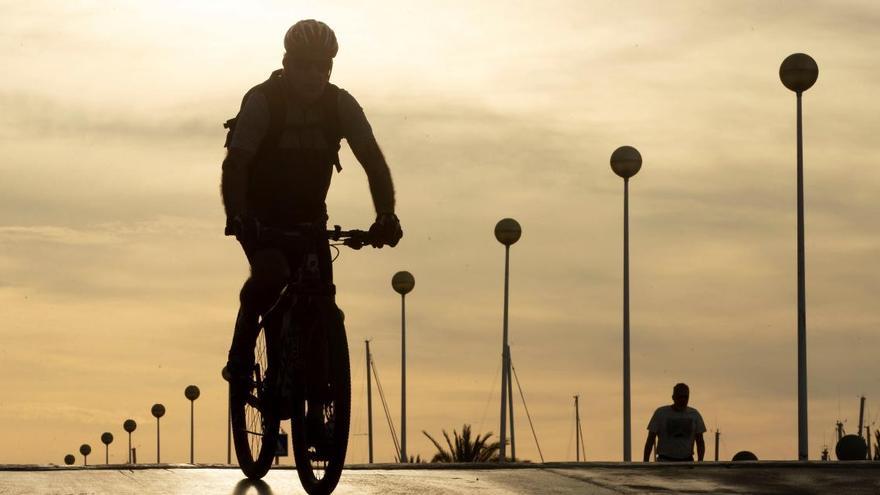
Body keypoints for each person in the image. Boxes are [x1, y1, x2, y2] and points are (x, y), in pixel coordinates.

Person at [220, 19, 402, 378]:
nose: (313, 74)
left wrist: (386, 216)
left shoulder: (341, 104)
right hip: (260, 214)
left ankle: (317, 397)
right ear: (286, 64)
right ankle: (240, 353)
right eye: (304, 65)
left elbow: (374, 164)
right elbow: (236, 164)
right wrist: (239, 215)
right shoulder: (263, 101)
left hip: (309, 218)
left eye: (323, 66)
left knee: (323, 299)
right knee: (271, 274)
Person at [643, 383, 706, 462]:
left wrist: (700, 463)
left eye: (685, 397)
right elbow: (650, 440)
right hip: (664, 462)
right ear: (673, 397)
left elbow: (700, 442)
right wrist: (645, 463)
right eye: (680, 397)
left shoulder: (694, 415)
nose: (683, 400)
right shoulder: (661, 413)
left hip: (687, 462)